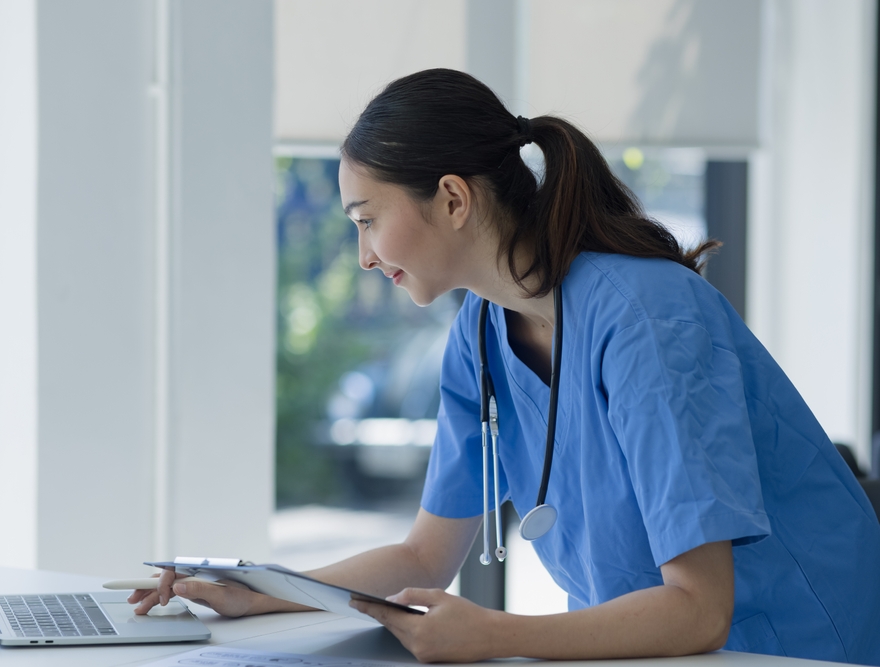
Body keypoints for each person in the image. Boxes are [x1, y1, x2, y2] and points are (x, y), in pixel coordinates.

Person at [130, 69, 880, 664]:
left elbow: (700, 606)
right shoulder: (480, 335)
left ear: (452, 198)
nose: (363, 256)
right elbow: (424, 552)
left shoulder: (647, 317)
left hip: (794, 649)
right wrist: (255, 590)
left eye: (367, 219)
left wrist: (494, 632)